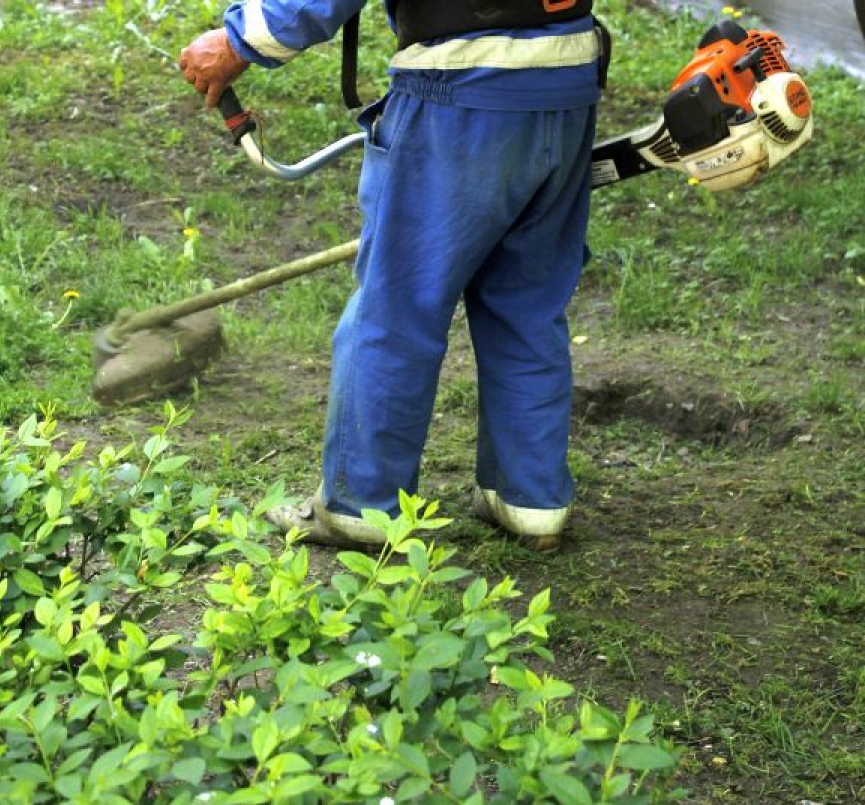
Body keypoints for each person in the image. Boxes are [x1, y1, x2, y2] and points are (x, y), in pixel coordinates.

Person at [180, 0, 603, 552]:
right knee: (527, 306)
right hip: (565, 88)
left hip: (461, 90)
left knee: (398, 309)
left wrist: (238, 41)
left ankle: (362, 508)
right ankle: (530, 502)